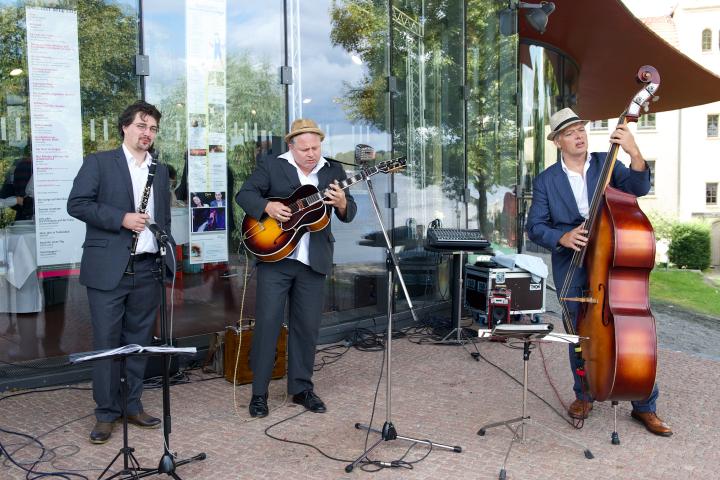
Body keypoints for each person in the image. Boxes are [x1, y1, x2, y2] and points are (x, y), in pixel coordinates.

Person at [526, 108, 671, 437]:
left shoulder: (608, 163)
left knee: (630, 333)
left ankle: (644, 404)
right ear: (559, 141)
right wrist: (561, 237)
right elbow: (534, 227)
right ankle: (584, 395)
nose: (579, 135)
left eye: (581, 129)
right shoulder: (547, 180)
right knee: (579, 334)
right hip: (571, 263)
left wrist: (633, 149)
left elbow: (638, 187)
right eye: (570, 132)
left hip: (610, 259)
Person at [67, 100, 174, 444]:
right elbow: (77, 204)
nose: (147, 133)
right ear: (125, 127)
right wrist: (121, 219)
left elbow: (164, 220)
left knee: (139, 344)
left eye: (153, 128)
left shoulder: (160, 169)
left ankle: (132, 404)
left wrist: (165, 256)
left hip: (146, 269)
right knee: (107, 345)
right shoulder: (99, 163)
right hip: (108, 271)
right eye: (142, 126)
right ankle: (105, 413)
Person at [236, 118, 357, 417]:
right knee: (267, 327)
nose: (312, 154)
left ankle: (302, 389)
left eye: (316, 147)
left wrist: (341, 203)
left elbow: (349, 213)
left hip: (312, 261)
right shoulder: (272, 166)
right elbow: (245, 195)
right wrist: (267, 207)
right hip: (275, 259)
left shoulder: (333, 170)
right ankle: (259, 394)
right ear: (292, 147)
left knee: (306, 329)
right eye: (305, 149)